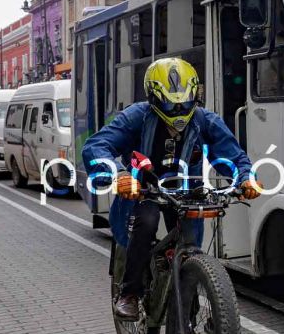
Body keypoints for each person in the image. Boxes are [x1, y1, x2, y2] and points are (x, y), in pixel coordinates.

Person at [82, 58, 261, 320]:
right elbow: (96, 147)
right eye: (169, 104)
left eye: (185, 103)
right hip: (144, 190)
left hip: (189, 189)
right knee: (146, 221)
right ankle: (130, 293)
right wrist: (118, 174)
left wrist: (246, 178)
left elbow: (233, 157)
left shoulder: (205, 120)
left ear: (195, 96)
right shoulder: (136, 116)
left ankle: (189, 298)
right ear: (153, 99)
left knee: (191, 241)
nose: (178, 110)